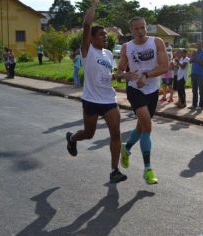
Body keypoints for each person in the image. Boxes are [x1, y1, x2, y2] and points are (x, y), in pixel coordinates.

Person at [65, 0, 126, 183]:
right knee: (89, 133)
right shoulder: (87, 51)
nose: (105, 37)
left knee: (115, 134)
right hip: (91, 100)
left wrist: (123, 76)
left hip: (109, 99)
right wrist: (93, 5)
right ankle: (73, 138)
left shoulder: (108, 54)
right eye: (101, 34)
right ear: (91, 38)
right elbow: (86, 24)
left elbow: (112, 74)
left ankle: (115, 170)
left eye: (106, 35)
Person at [116, 16, 168, 185]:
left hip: (152, 90)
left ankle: (127, 148)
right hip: (134, 90)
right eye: (135, 29)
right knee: (147, 126)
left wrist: (145, 75)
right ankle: (148, 169)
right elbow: (119, 72)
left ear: (146, 28)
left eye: (142, 28)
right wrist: (124, 75)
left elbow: (164, 67)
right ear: (131, 30)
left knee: (141, 126)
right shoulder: (126, 47)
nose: (139, 31)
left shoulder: (157, 42)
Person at [189, 40, 203, 111]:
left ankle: (201, 105)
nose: (198, 46)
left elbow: (201, 62)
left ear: (202, 45)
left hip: (200, 74)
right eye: (197, 44)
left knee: (201, 90)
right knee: (194, 90)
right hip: (193, 73)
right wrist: (193, 56)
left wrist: (195, 56)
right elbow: (190, 61)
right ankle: (194, 104)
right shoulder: (194, 52)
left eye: (199, 44)